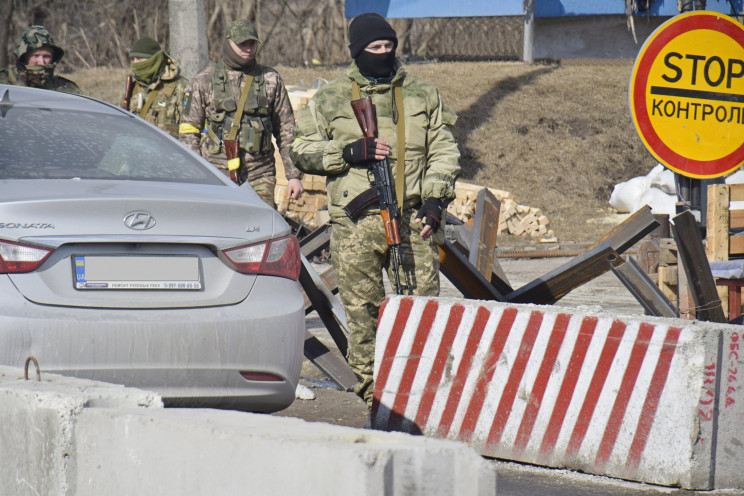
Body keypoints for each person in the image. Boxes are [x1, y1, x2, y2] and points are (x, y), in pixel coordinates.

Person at [290, 12, 461, 407]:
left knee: (422, 311)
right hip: (356, 226)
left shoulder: (423, 93)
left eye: (388, 47)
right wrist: (347, 153)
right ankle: (375, 399)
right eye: (374, 48)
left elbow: (444, 149)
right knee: (362, 315)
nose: (383, 54)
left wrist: (436, 200)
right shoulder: (331, 98)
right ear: (356, 51)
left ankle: (421, 397)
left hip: (414, 219)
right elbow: (302, 150)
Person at [179, 19, 303, 208]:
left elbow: (287, 129)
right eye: (241, 44)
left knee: (262, 228)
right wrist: (199, 175)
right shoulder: (203, 80)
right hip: (216, 174)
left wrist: (293, 176)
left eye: (251, 43)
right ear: (228, 44)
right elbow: (188, 131)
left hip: (261, 174)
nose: (248, 49)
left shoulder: (271, 79)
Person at [122, 36, 189, 138]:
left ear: (154, 60)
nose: (135, 63)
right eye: (133, 59)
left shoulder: (181, 87)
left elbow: (192, 129)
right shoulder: (131, 90)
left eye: (139, 58)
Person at [0, 25, 80, 94]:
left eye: (46, 56)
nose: (41, 62)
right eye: (36, 56)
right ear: (24, 57)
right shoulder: (3, 82)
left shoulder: (67, 89)